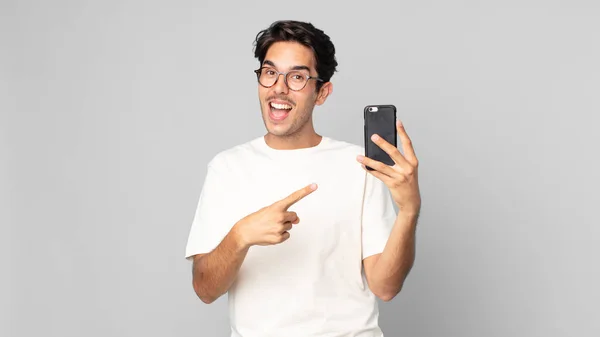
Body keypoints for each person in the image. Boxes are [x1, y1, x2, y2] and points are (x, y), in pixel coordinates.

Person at [184, 20, 421, 337]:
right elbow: (205, 289)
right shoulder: (226, 168)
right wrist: (241, 235)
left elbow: (386, 286)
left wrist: (409, 211)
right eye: (270, 73)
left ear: (321, 92)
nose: (279, 88)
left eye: (296, 77)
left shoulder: (359, 166)